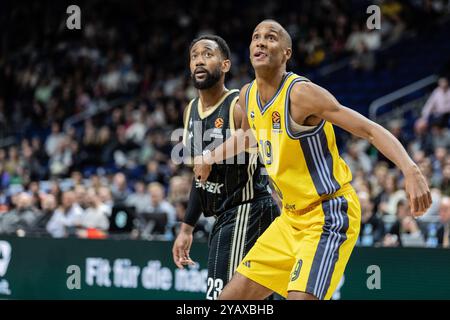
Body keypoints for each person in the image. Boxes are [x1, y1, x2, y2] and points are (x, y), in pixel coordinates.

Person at [194, 20, 432, 300]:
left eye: (270, 38)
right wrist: (210, 156)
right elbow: (249, 136)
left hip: (328, 214)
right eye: (255, 37)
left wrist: (410, 168)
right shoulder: (247, 96)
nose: (260, 42)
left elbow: (368, 129)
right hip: (289, 221)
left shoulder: (301, 95)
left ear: (286, 53)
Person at [171, 35, 280, 300]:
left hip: (248, 209)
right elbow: (200, 178)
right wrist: (187, 228)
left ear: (225, 65)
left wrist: (212, 155)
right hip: (225, 216)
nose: (199, 60)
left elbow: (262, 145)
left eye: (207, 54)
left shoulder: (238, 104)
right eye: (194, 55)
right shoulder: (190, 111)